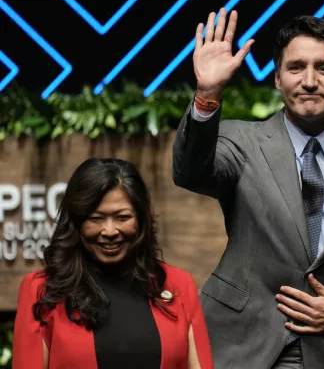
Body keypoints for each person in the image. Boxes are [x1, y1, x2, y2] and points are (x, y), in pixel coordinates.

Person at [172, 8, 324, 368]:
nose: (310, 80)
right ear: (277, 79)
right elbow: (190, 172)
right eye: (296, 67)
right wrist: (208, 93)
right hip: (240, 346)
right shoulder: (242, 142)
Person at [13, 158, 214, 369]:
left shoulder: (179, 285)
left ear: (141, 220)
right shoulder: (42, 290)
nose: (109, 231)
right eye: (96, 218)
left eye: (122, 217)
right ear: (76, 222)